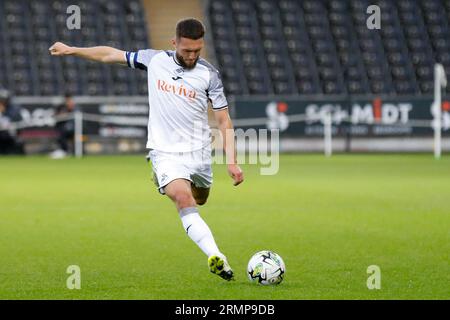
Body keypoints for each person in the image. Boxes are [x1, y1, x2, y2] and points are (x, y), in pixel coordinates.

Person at [49, 18, 244, 281]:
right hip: (164, 152)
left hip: (199, 154)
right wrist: (73, 49)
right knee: (182, 198)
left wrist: (231, 161)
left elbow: (223, 119)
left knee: (200, 199)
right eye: (186, 50)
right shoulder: (154, 60)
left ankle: (173, 187)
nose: (191, 56)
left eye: (197, 50)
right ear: (174, 43)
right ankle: (217, 256)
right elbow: (110, 54)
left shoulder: (209, 74)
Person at [50, 93, 76, 158]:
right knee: (61, 135)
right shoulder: (61, 107)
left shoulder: (74, 107)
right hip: (61, 128)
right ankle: (64, 151)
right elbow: (55, 116)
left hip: (72, 129)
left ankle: (69, 151)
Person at [0, 88, 25, 155]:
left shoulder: (14, 110)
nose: (2, 102)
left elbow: (19, 124)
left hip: (10, 137)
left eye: (3, 100)